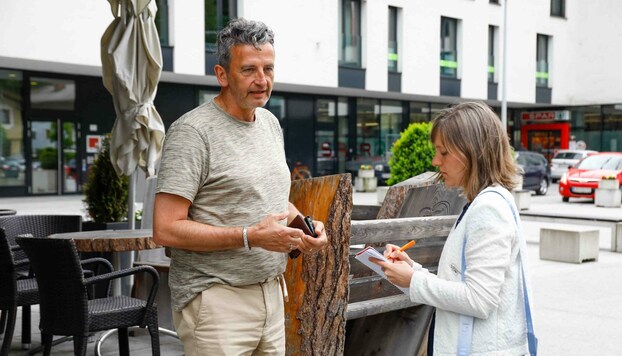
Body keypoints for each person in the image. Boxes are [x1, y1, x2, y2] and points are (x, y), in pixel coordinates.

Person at [153, 18, 328, 355]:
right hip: (217, 301)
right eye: (248, 70)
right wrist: (249, 236)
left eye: (268, 69)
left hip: (272, 294)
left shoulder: (270, 124)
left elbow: (275, 202)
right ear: (222, 75)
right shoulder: (192, 133)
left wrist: (303, 225)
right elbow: (165, 229)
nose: (261, 81)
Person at [371, 102, 536, 355]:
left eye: (444, 152)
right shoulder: (483, 201)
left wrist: (413, 280)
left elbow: (479, 299)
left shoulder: (488, 208)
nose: (436, 161)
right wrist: (411, 268)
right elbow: (462, 280)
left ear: (474, 152)